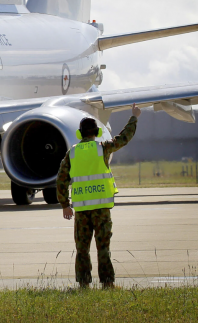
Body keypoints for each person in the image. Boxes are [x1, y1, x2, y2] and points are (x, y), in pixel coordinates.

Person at [56, 103, 141, 288]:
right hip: (101, 209)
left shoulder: (72, 153)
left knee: (82, 250)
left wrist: (65, 204)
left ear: (80, 134)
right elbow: (124, 138)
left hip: (82, 210)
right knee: (103, 248)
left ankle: (84, 284)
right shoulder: (103, 148)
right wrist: (134, 117)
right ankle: (107, 283)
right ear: (96, 132)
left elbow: (61, 179)